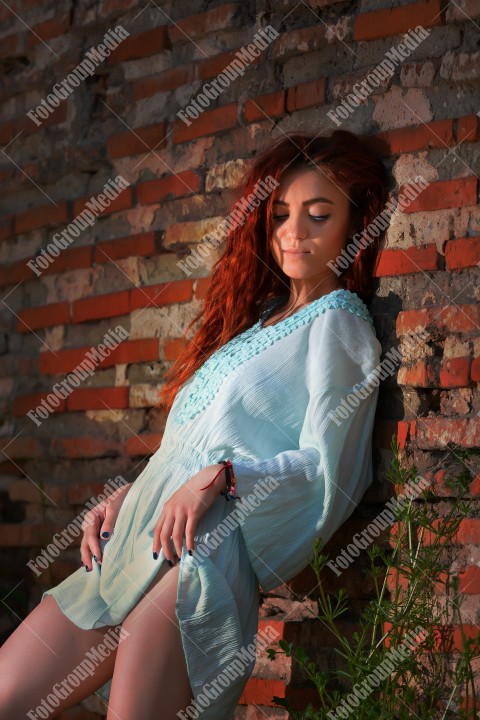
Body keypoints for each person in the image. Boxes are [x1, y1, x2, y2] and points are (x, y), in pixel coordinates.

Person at [0, 129, 389, 720]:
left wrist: (223, 478)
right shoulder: (257, 325)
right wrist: (130, 495)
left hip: (198, 559)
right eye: (281, 213)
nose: (293, 231)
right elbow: (194, 445)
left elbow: (329, 471)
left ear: (354, 222)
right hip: (130, 538)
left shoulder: (339, 324)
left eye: (318, 214)